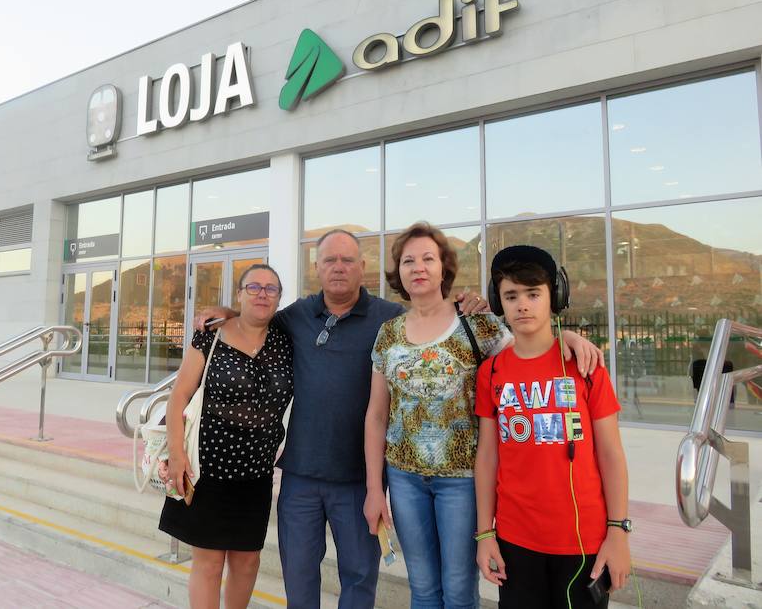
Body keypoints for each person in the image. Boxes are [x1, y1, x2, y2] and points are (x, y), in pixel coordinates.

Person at [196, 229, 601, 608]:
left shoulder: (399, 318)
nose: (338, 267)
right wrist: (228, 310)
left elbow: (521, 341)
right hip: (319, 477)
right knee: (311, 580)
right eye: (329, 260)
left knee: (388, 581)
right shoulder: (305, 317)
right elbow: (257, 316)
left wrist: (564, 335)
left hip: (392, 480)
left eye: (348, 260)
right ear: (317, 268)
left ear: (363, 268)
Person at [363, 222, 513, 608]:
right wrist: (375, 489)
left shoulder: (477, 324)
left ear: (443, 268)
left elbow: (532, 347)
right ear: (398, 272)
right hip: (404, 478)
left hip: (463, 480)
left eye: (428, 258)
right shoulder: (389, 333)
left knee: (460, 590)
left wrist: (569, 337)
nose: (418, 267)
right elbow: (377, 415)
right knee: (424, 588)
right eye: (409, 260)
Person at [474, 246, 630, 609]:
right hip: (515, 540)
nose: (522, 305)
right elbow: (487, 456)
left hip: (583, 541)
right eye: (511, 296)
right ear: (500, 303)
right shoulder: (491, 372)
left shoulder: (586, 368)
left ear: (554, 297)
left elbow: (610, 454)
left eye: (533, 294)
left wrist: (618, 531)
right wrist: (485, 533)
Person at [160, 263, 293, 609]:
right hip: (208, 470)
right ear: (239, 293)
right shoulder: (212, 334)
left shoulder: (287, 340)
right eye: (253, 287)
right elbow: (179, 396)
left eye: (271, 289)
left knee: (248, 561)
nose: (262, 294)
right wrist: (176, 453)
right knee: (209, 563)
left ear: (279, 297)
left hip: (256, 475)